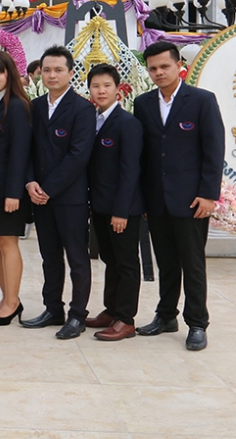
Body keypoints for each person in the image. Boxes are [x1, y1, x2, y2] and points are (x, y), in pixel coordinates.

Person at [133, 40, 224, 351]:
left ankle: (197, 323)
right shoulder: (143, 104)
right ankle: (166, 315)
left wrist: (209, 195)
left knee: (193, 263)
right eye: (153, 68)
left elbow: (213, 151)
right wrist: (143, 199)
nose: (159, 72)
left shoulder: (201, 101)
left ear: (178, 66)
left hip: (191, 201)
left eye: (164, 66)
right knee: (167, 263)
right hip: (157, 200)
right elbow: (144, 156)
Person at [22, 45, 95, 340]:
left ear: (70, 72)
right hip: (38, 195)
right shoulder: (35, 106)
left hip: (70, 198)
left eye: (58, 70)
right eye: (47, 70)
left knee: (77, 258)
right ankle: (53, 308)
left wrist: (48, 189)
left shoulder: (83, 108)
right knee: (49, 256)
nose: (52, 75)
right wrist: (29, 183)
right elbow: (26, 150)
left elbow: (78, 156)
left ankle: (77, 315)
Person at [85, 64, 144, 342]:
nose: (101, 90)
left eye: (106, 85)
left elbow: (130, 171)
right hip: (100, 206)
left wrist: (122, 211)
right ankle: (111, 310)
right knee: (110, 259)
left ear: (118, 89)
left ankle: (126, 319)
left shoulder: (127, 123)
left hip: (122, 209)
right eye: (96, 86)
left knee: (126, 263)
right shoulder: (93, 120)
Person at [0, 50, 32, 326]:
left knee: (7, 242)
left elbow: (19, 153)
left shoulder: (18, 106)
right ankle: (6, 296)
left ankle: (13, 302)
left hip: (8, 191)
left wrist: (14, 192)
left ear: (9, 73)